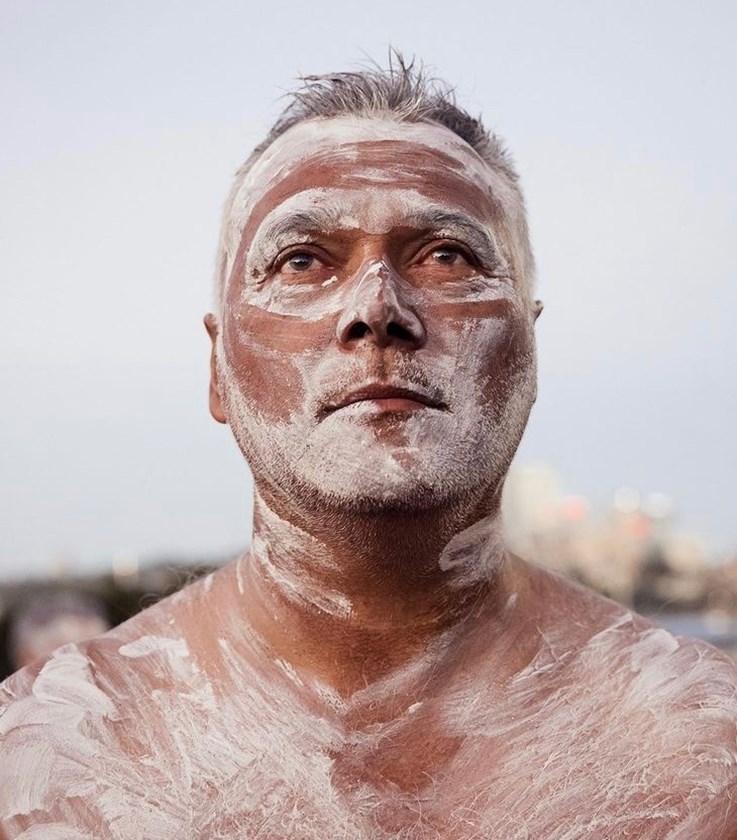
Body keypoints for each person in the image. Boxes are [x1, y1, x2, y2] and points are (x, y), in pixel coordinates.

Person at [1, 58, 735, 840]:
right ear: (218, 369)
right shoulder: (43, 761)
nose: (378, 308)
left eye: (447, 256)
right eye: (302, 261)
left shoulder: (705, 756)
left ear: (528, 352)